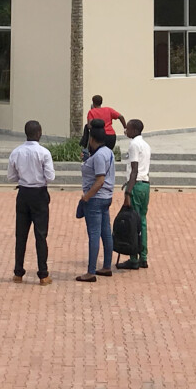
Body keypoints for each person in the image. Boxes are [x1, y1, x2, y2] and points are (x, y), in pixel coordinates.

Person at [7, 120, 55, 285]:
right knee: (40, 235)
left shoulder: (16, 152)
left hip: (23, 193)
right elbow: (50, 177)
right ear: (39, 133)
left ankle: (18, 273)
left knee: (21, 235)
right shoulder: (44, 153)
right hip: (39, 194)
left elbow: (11, 177)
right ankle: (43, 274)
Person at [75, 128, 116, 283]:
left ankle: (91, 271)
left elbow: (99, 180)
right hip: (106, 197)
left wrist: (86, 197)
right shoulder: (108, 152)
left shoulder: (99, 156)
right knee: (106, 232)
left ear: (92, 139)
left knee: (94, 234)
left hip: (96, 198)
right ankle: (106, 265)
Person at [116, 118, 151, 271]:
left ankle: (133, 258)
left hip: (135, 186)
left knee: (132, 223)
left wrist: (128, 191)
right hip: (145, 185)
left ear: (135, 130)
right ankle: (143, 256)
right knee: (142, 221)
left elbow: (134, 169)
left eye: (128, 128)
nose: (126, 131)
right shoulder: (145, 144)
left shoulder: (134, 145)